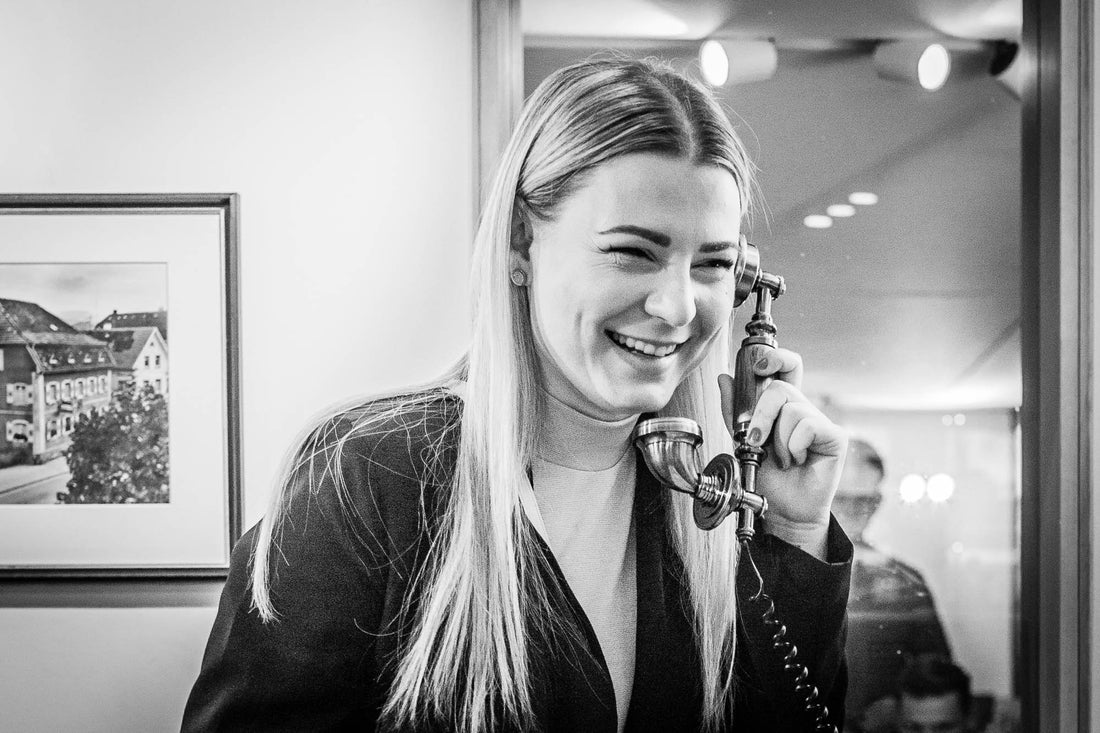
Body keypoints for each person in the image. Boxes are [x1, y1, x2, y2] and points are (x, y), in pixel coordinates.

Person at [181, 57, 852, 732]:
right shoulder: (367, 476)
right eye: (632, 252)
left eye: (713, 264)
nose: (678, 307)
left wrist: (796, 533)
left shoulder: (704, 498)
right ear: (520, 244)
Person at [832, 439, 952, 731]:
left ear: (877, 502)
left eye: (863, 501)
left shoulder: (905, 582)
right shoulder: (790, 573)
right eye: (841, 499)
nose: (852, 510)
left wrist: (897, 707)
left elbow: (937, 673)